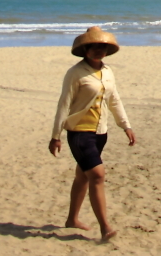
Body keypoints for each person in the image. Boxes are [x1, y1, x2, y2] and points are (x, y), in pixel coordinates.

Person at [49, 26, 136, 241]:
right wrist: (55, 136)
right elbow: (64, 103)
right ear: (85, 49)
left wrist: (126, 125)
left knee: (83, 176)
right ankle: (105, 227)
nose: (99, 50)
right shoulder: (75, 73)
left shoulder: (107, 72)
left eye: (103, 47)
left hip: (100, 132)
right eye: (94, 47)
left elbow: (114, 100)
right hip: (79, 133)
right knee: (97, 175)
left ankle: (72, 220)